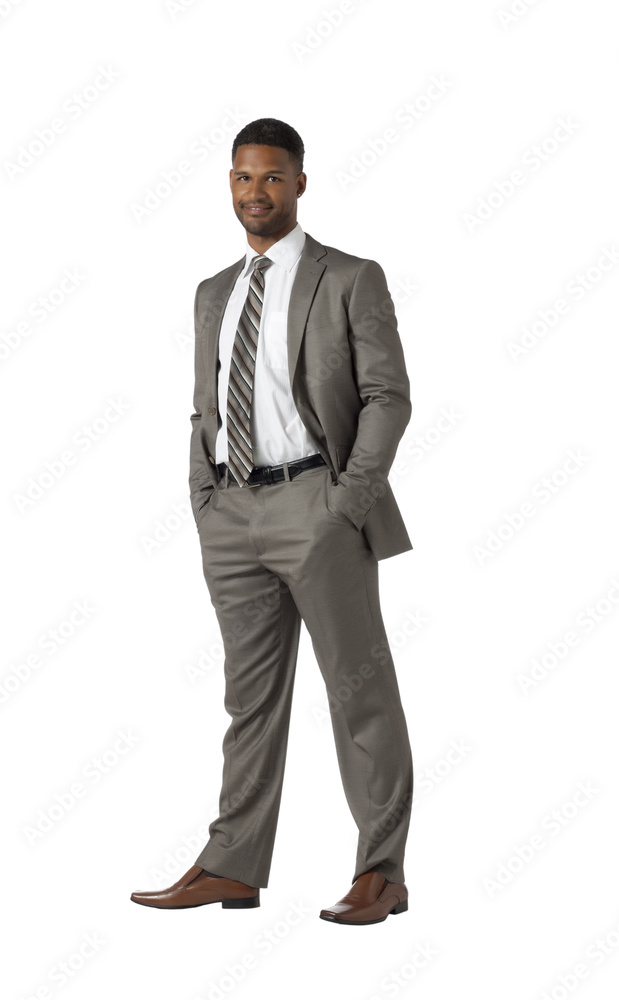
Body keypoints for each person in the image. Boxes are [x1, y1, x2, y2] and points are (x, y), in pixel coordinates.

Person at [131, 118, 414, 925]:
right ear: (230, 182)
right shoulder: (212, 292)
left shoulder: (348, 277)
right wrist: (204, 496)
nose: (255, 192)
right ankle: (231, 865)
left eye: (271, 177)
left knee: (358, 693)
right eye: (242, 177)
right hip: (231, 512)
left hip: (315, 504)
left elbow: (386, 396)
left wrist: (344, 504)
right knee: (248, 700)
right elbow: (205, 405)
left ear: (299, 184)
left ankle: (381, 872)